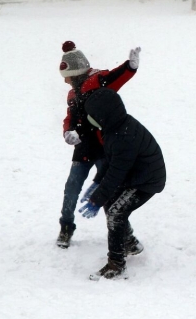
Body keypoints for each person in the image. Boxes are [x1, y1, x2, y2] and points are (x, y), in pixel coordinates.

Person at [56, 41, 140, 249]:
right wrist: (67, 131)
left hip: (105, 148)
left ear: (76, 73)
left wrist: (130, 66)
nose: (65, 81)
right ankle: (66, 227)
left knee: (109, 192)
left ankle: (126, 235)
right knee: (72, 188)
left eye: (67, 76)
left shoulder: (98, 81)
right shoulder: (72, 94)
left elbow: (117, 76)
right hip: (83, 149)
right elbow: (70, 117)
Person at [78, 88, 166, 281]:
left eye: (92, 115)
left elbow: (116, 173)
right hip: (134, 174)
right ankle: (129, 243)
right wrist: (96, 184)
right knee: (112, 204)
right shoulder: (114, 128)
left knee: (116, 213)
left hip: (147, 180)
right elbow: (110, 161)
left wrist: (97, 199)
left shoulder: (123, 136)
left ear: (103, 115)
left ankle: (116, 264)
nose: (90, 119)